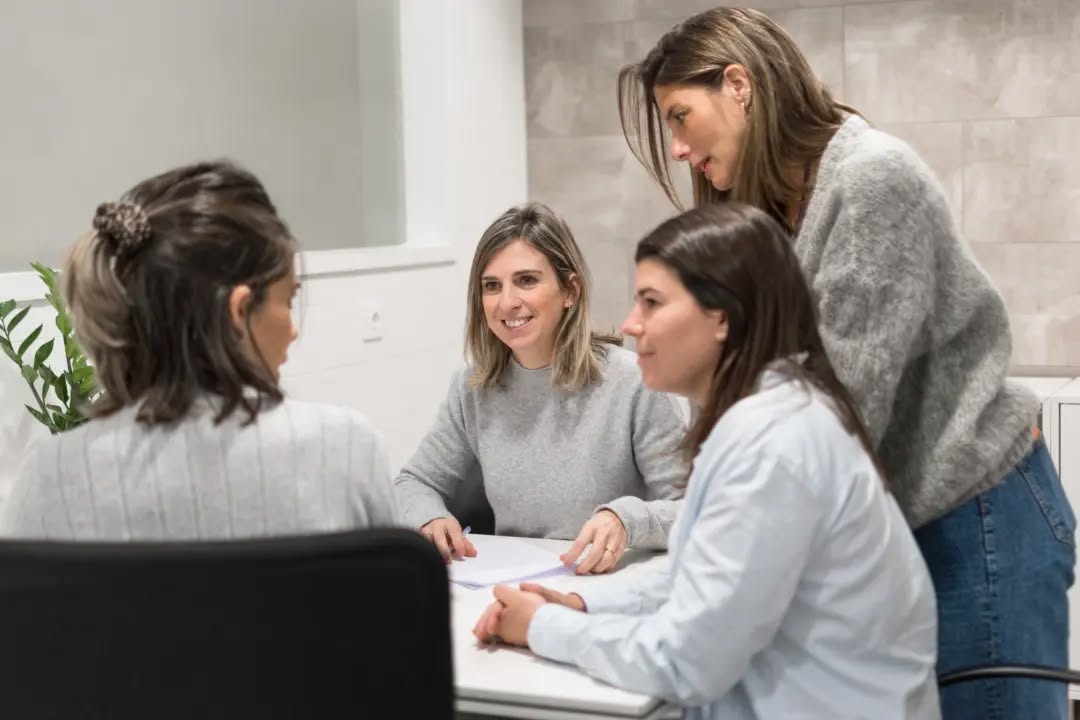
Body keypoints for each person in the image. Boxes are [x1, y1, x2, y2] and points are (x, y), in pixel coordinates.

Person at [616, 7, 1075, 717]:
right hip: (903, 521)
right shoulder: (776, 212)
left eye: (680, 116)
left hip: (977, 520)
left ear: (739, 84)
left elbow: (836, 416)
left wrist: (670, 540)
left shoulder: (870, 181)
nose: (676, 149)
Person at [472, 203, 940, 719]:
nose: (631, 325)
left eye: (652, 303)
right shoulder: (767, 416)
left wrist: (542, 628)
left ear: (721, 317)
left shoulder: (774, 444)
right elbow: (696, 570)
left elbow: (685, 662)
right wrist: (583, 604)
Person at [0, 160, 398, 539]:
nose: (292, 330)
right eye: (288, 301)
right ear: (240, 311)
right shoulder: (346, 451)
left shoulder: (47, 478)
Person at [394, 202, 686, 573]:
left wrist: (626, 520)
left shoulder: (634, 381)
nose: (507, 302)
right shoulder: (472, 387)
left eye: (527, 280)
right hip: (509, 586)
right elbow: (412, 482)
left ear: (570, 291)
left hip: (612, 586)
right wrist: (429, 518)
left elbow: (693, 510)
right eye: (491, 286)